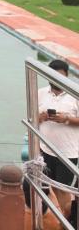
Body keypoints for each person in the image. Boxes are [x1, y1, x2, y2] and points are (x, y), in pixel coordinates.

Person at [38, 59, 79, 214]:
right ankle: (66, 219)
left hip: (68, 153)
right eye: (52, 76)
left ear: (66, 76)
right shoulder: (41, 93)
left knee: (63, 190)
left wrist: (66, 119)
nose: (56, 79)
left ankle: (69, 222)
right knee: (53, 187)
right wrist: (40, 117)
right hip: (46, 150)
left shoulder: (75, 94)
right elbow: (31, 118)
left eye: (60, 76)